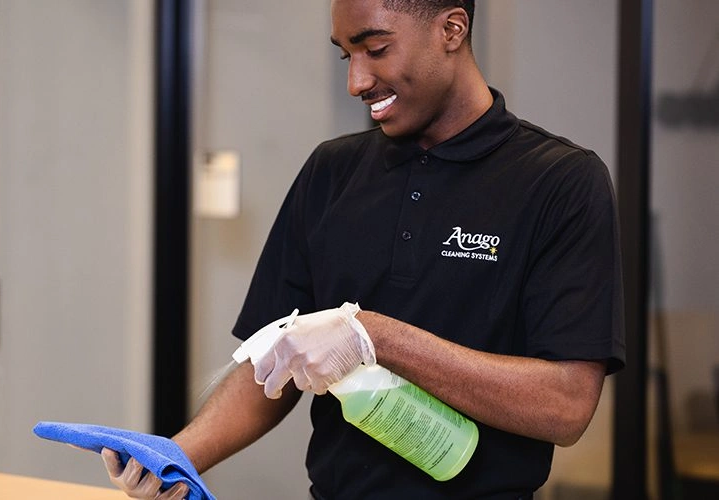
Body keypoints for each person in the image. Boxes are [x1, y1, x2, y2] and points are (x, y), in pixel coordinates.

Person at [101, 0, 625, 498]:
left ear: (452, 30)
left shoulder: (560, 182)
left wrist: (373, 336)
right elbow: (272, 366)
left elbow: (565, 407)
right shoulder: (331, 172)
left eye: (375, 49)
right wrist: (177, 456)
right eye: (346, 55)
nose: (356, 81)